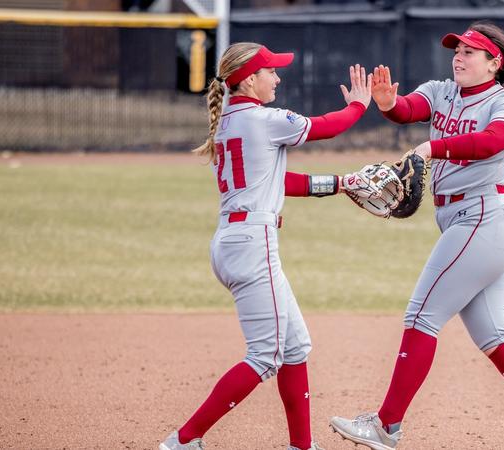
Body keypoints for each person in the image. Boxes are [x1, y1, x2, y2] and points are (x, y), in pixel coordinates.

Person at [329, 22, 504, 450]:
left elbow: (491, 141)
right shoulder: (442, 91)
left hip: (482, 217)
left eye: (469, 52)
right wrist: (388, 103)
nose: (459, 58)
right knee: (495, 336)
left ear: (494, 63)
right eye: (457, 51)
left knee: (421, 316)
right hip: (465, 221)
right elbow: (408, 109)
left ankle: (386, 426)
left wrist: (432, 148)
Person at [159, 42, 375, 450]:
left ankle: (302, 446)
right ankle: (184, 440)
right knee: (265, 355)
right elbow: (327, 126)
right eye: (270, 71)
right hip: (252, 244)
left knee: (295, 347)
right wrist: (359, 106)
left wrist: (341, 183)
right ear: (249, 80)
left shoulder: (228, 121)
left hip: (234, 240)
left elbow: (279, 181)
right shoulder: (263, 119)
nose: (277, 77)